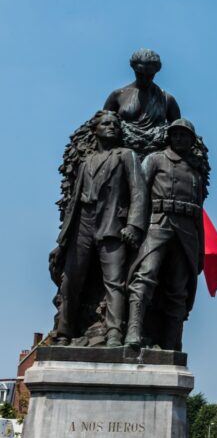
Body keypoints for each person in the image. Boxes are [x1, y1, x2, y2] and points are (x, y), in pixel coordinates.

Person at [49, 112, 146, 346]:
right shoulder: (85, 162)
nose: (111, 127)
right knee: (71, 280)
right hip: (83, 223)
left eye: (115, 124)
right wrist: (63, 240)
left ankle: (114, 332)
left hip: (112, 224)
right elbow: (73, 204)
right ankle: (64, 332)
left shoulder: (126, 156)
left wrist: (133, 225)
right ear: (96, 130)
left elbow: (138, 192)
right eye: (106, 124)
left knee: (114, 281)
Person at [126, 118, 207, 350]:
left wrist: (200, 249)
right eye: (176, 134)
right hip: (158, 223)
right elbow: (138, 195)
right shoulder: (155, 160)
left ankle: (172, 343)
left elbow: (199, 213)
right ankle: (133, 330)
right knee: (145, 275)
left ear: (191, 141)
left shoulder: (195, 170)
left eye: (185, 136)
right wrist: (134, 227)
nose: (180, 139)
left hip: (186, 231)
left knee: (178, 288)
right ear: (169, 137)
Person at [103, 49, 182, 153]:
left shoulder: (167, 100)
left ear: (156, 71)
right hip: (122, 152)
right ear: (133, 68)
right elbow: (103, 125)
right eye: (140, 74)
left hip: (157, 154)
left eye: (149, 75)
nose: (144, 79)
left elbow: (178, 132)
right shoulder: (118, 95)